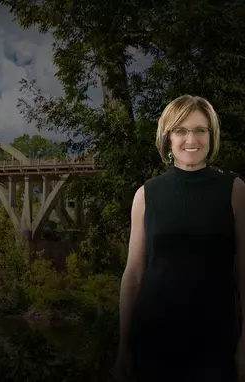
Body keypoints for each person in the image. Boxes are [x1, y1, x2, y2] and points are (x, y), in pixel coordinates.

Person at [114, 95, 245, 381]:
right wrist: (124, 346)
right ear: (167, 138)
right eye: (181, 130)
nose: (191, 139)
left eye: (200, 130)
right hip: (153, 338)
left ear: (211, 136)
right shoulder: (146, 194)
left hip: (215, 340)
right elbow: (133, 274)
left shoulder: (235, 191)